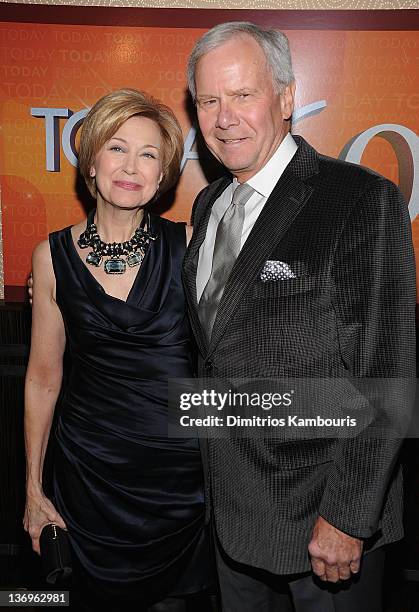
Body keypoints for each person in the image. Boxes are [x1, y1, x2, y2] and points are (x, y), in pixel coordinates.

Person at [182, 22, 416, 612]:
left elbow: (387, 377)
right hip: (233, 516)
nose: (223, 117)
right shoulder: (210, 203)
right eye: (208, 100)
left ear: (287, 98)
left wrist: (347, 518)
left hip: (324, 524)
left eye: (242, 95)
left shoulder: (360, 198)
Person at [23, 89, 214, 612]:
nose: (132, 166)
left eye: (149, 154)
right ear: (91, 162)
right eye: (117, 148)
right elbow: (43, 378)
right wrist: (34, 489)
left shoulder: (194, 245)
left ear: (163, 174)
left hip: (182, 485)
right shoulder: (50, 256)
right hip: (88, 477)